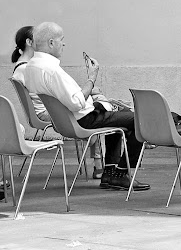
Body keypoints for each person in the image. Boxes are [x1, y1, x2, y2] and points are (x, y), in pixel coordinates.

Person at [23, 22, 149, 191]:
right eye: (62, 40)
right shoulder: (51, 70)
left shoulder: (31, 66)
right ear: (51, 43)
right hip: (82, 120)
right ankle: (120, 174)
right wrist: (91, 78)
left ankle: (110, 173)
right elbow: (76, 103)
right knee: (139, 120)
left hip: (66, 121)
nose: (64, 44)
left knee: (116, 115)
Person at [11, 26, 108, 180]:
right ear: (30, 42)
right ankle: (101, 163)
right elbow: (58, 94)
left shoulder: (28, 66)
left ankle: (102, 161)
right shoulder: (30, 68)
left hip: (50, 109)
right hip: (50, 112)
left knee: (98, 101)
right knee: (99, 106)